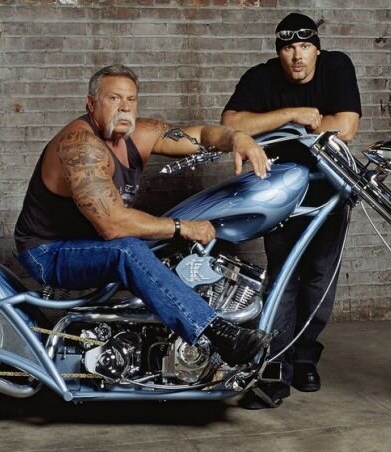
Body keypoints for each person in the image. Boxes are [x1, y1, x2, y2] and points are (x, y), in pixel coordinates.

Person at [14, 64, 272, 366]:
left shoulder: (141, 134)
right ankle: (217, 334)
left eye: (131, 99)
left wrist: (237, 137)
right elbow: (112, 225)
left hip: (92, 243)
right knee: (128, 250)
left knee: (164, 249)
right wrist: (181, 227)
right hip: (49, 252)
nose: (124, 107)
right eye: (114, 98)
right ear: (91, 104)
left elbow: (201, 135)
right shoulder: (81, 147)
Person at [222, 12, 361, 409]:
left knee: (318, 278)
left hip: (328, 189)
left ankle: (304, 358)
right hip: (280, 192)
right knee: (283, 278)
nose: (297, 56)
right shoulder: (261, 77)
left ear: (316, 49)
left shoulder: (337, 66)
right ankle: (275, 368)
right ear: (279, 52)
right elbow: (231, 123)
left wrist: (269, 129)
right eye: (288, 48)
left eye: (304, 47)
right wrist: (292, 115)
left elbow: (346, 126)